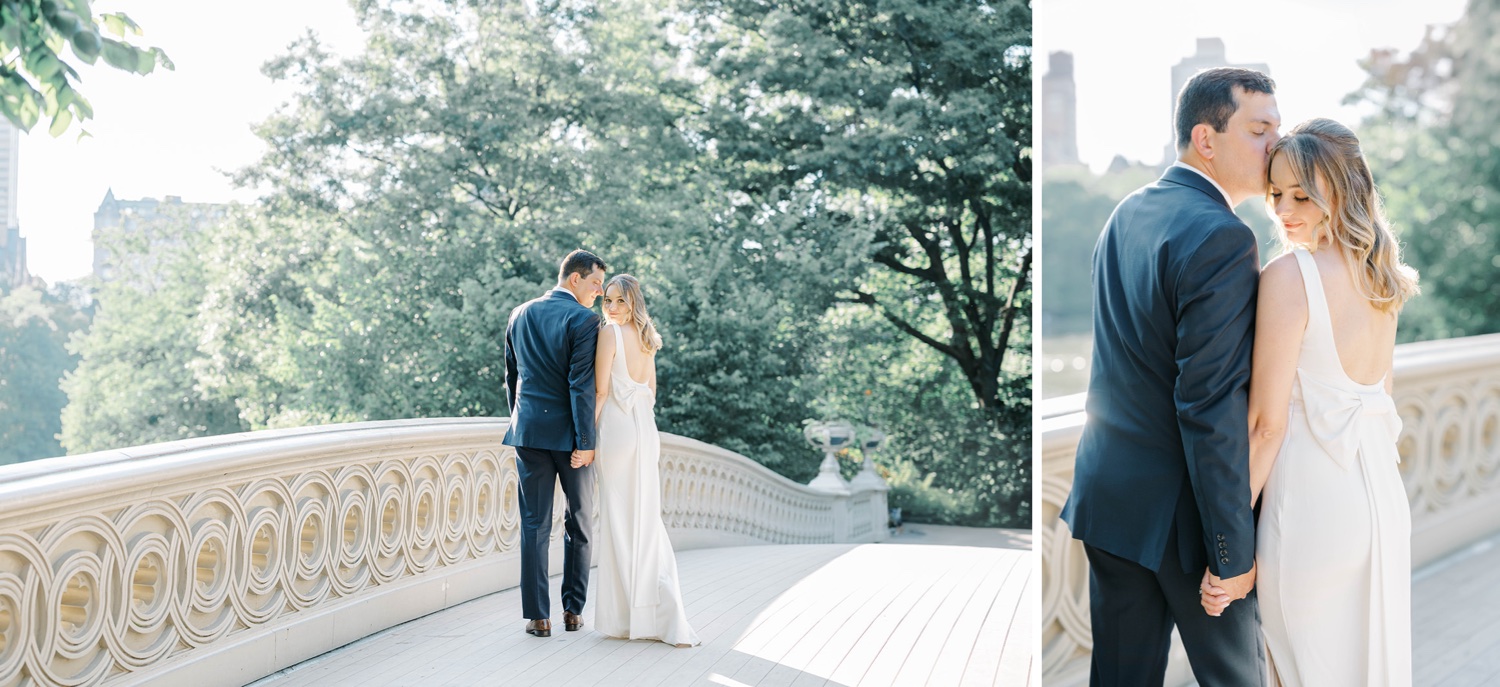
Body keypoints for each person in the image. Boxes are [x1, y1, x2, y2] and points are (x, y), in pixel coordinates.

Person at [1059, 67, 1280, 686]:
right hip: (1186, 523)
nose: (1275, 148)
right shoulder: (1223, 237)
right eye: (1260, 130)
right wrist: (1232, 551)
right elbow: (1208, 406)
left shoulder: (1127, 211)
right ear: (1206, 139)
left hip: (1108, 498)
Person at [1222, 118, 1418, 686]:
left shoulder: (1290, 275)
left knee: (1297, 673)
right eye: (1277, 194)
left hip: (1310, 511)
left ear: (1341, 191)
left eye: (1302, 195)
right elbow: (1382, 399)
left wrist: (1228, 544)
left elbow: (1265, 426)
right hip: (1379, 501)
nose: (1285, 209)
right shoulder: (1382, 280)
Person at [502, 249, 607, 638]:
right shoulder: (583, 319)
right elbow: (580, 386)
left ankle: (537, 617)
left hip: (527, 433)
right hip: (569, 439)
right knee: (578, 522)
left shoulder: (519, 313)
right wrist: (586, 440)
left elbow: (511, 379)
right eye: (595, 283)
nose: (598, 292)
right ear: (574, 278)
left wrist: (521, 422)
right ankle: (573, 611)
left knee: (533, 525)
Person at [591, 274, 699, 647]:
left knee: (621, 520)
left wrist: (585, 438)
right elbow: (650, 391)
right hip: (645, 430)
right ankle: (650, 612)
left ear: (633, 302)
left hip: (618, 431)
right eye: (607, 301)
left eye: (620, 301)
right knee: (645, 520)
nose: (612, 308)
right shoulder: (648, 339)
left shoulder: (610, 334)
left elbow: (601, 391)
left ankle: (627, 617)